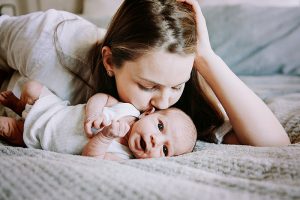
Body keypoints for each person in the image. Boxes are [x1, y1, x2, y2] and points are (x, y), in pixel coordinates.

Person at [0, 0, 290, 146]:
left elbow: (275, 145)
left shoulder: (184, 89)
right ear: (110, 62)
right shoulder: (48, 40)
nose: (165, 103)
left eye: (176, 86)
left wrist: (206, 58)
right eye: (149, 86)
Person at [0, 80, 197, 160]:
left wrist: (105, 136)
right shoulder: (128, 109)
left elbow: (91, 158)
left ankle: (20, 117)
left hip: (38, 138)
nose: (156, 140)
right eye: (160, 126)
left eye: (164, 149)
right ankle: (19, 106)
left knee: (6, 129)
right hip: (53, 110)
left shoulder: (123, 157)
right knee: (31, 87)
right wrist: (93, 114)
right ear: (148, 113)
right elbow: (100, 97)